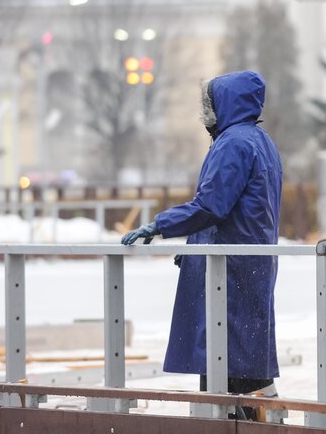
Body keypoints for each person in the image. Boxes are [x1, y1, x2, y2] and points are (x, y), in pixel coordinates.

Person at [121, 70, 283, 417]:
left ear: (226, 104)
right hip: (249, 261)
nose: (205, 112)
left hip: (229, 269)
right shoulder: (258, 140)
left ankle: (235, 420)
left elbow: (212, 205)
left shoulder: (234, 144)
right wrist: (195, 240)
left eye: (209, 103)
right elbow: (238, 208)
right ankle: (260, 415)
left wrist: (159, 225)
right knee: (247, 357)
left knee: (225, 359)